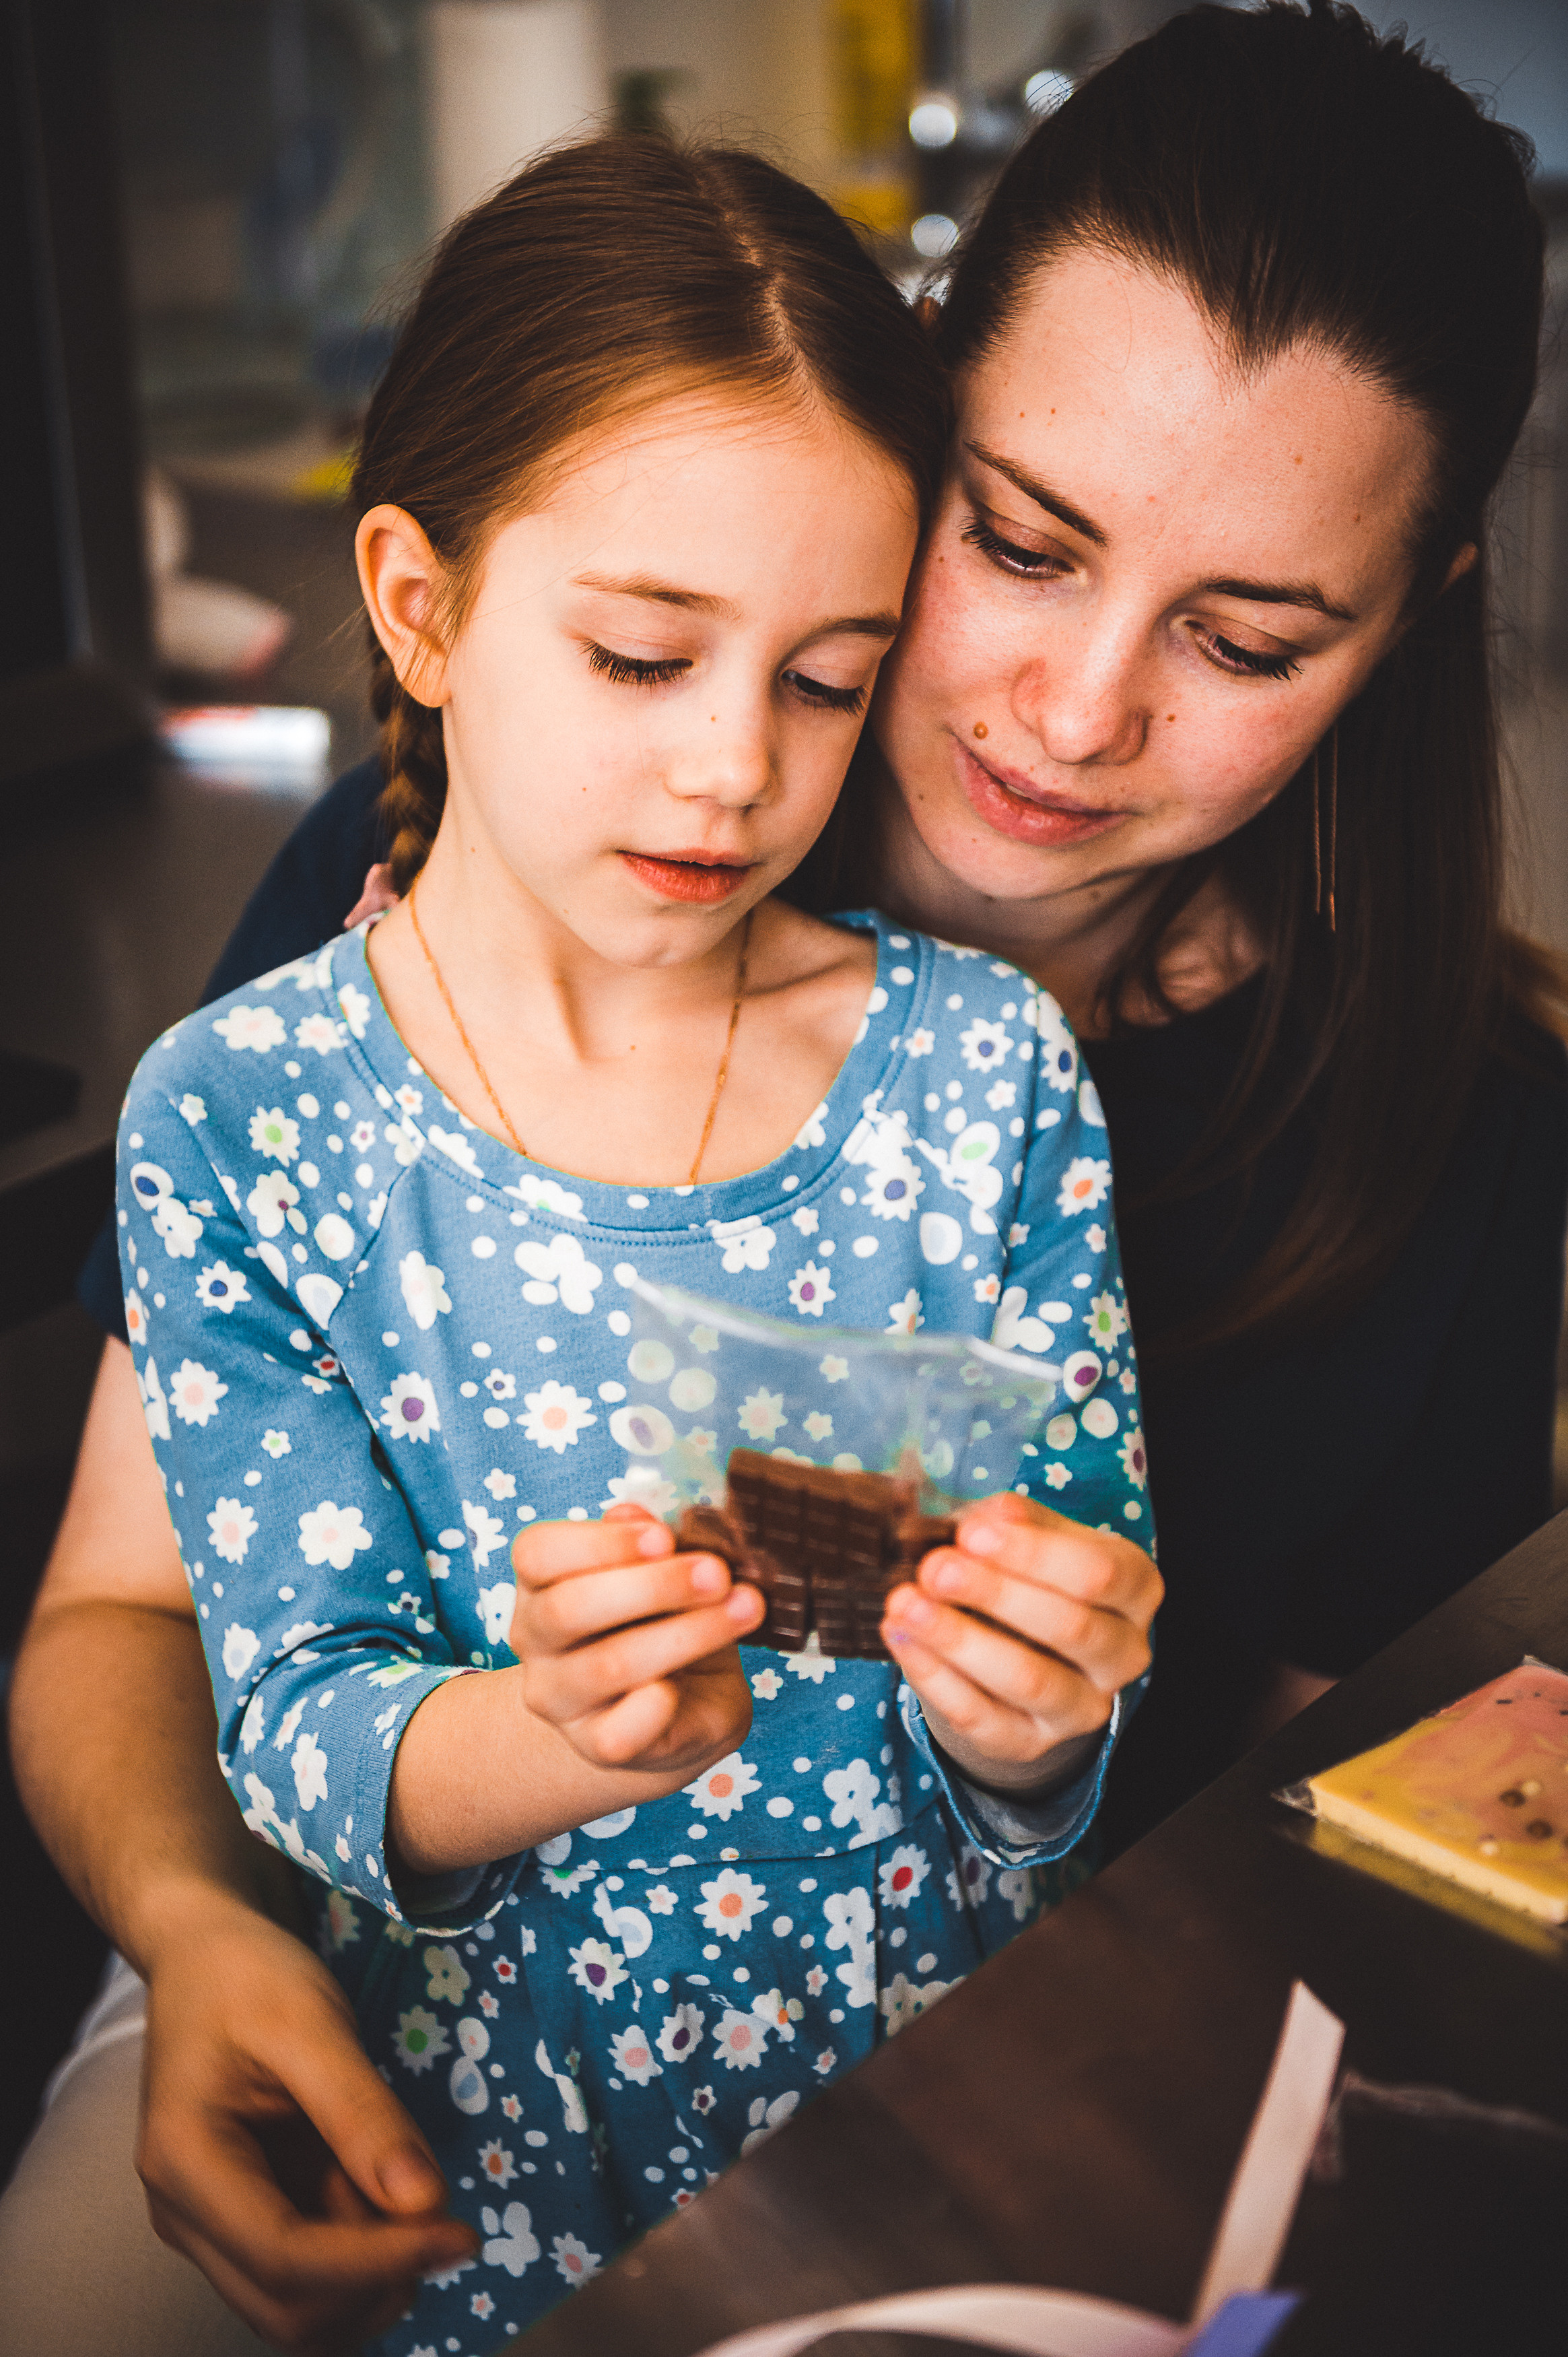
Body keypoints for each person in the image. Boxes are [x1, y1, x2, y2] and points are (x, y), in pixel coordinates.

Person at [9, 3, 1565, 2350]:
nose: (1072, 711)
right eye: (1018, 543)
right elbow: (136, 1615)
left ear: (1407, 616)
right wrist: (203, 1922)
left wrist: (1034, 1736)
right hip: (351, 1952)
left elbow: (1309, 1851)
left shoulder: (1374, 1112)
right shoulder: (434, 885)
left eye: (1246, 636)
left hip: (971, 2033)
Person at [55, 132, 1161, 2355]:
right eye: (645, 654)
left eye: (829, 677)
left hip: (934, 2110)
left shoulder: (984, 1073)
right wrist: (559, 1734)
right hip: (493, 2157)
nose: (733, 772)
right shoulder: (248, 1123)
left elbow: (1066, 1700)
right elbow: (296, 1713)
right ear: (421, 601)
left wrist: (1042, 1718)